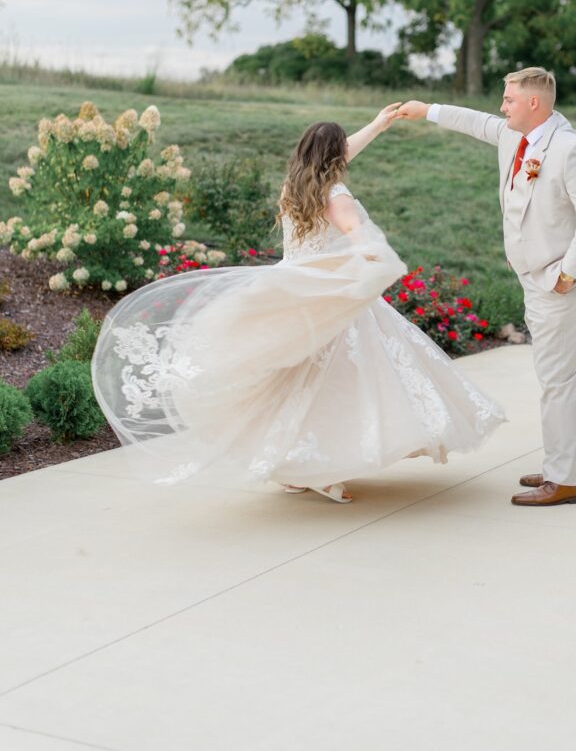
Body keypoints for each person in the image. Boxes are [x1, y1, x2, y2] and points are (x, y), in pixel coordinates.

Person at [91, 105, 504, 502]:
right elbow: (349, 224)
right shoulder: (335, 192)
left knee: (289, 383)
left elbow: (341, 156)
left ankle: (293, 467)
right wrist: (370, 251)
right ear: (334, 157)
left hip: (289, 288)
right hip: (328, 294)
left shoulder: (294, 186)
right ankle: (320, 470)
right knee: (336, 387)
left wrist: (378, 125)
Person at [398, 67, 576, 507]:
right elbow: (476, 122)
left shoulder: (569, 149)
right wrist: (427, 111)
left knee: (555, 378)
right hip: (537, 277)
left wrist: (566, 274)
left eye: (509, 99)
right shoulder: (517, 137)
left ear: (534, 103)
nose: (502, 107)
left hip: (562, 282)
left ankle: (564, 479)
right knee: (565, 375)